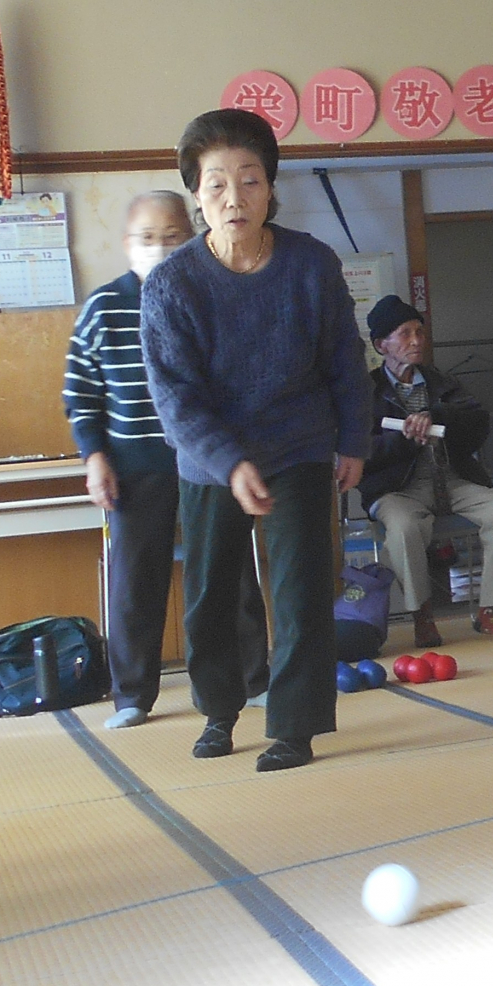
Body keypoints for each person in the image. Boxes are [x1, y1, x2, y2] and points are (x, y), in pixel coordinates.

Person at [140, 109, 370, 772]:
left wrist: (355, 440)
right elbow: (174, 397)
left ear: (270, 188)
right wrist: (228, 461)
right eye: (216, 184)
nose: (234, 198)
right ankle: (220, 710)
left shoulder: (311, 264)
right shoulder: (172, 284)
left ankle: (295, 724)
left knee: (300, 591)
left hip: (297, 446)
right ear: (196, 194)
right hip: (210, 461)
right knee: (213, 595)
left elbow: (345, 361)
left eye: (249, 180)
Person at [64, 191, 273, 731]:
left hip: (208, 459)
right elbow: (80, 392)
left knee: (230, 572)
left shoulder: (211, 295)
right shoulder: (103, 307)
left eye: (172, 237)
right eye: (147, 238)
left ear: (194, 236)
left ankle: (253, 680)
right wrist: (94, 457)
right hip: (134, 463)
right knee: (136, 580)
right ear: (126, 243)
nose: (158, 247)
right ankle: (132, 694)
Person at [361, 295, 493, 646]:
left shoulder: (442, 383)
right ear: (381, 345)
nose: (416, 341)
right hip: (397, 488)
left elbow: (477, 425)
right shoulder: (367, 391)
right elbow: (360, 452)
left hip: (453, 478)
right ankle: (421, 614)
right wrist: (404, 440)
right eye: (405, 334)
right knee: (404, 527)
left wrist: (437, 417)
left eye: (419, 332)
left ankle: (492, 608)